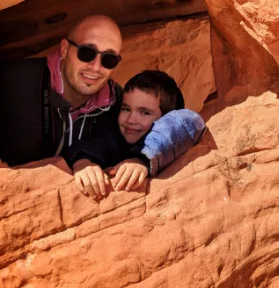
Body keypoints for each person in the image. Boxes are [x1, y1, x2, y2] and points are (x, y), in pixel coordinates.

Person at [0, 15, 205, 196]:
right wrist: (82, 162)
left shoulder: (117, 103)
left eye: (109, 59)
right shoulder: (11, 83)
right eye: (86, 52)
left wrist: (141, 159)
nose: (95, 66)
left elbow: (183, 121)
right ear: (64, 49)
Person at [73, 70, 204, 199]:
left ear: (165, 117)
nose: (130, 120)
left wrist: (142, 159)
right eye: (126, 109)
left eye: (145, 112)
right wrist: (82, 162)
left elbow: (189, 120)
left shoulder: (175, 124)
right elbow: (92, 143)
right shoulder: (115, 133)